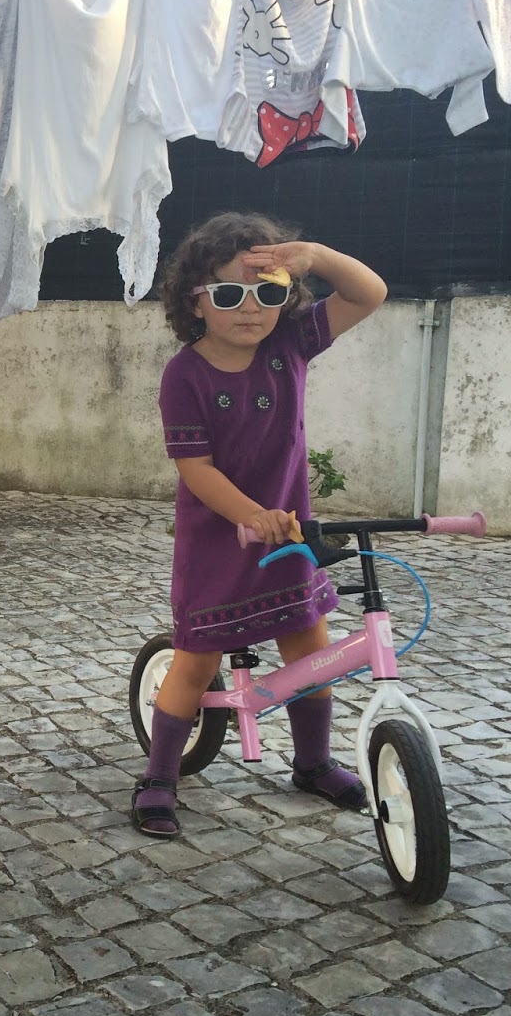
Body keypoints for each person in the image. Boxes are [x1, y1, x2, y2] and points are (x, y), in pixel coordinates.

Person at [135, 212, 388, 838]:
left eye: (268, 291)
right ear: (194, 303)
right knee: (196, 661)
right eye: (228, 294)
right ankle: (159, 776)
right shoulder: (185, 375)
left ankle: (313, 762)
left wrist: (315, 254)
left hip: (289, 537)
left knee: (311, 652)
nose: (250, 308)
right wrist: (251, 515)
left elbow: (369, 293)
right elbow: (195, 468)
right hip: (218, 543)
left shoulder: (290, 345)